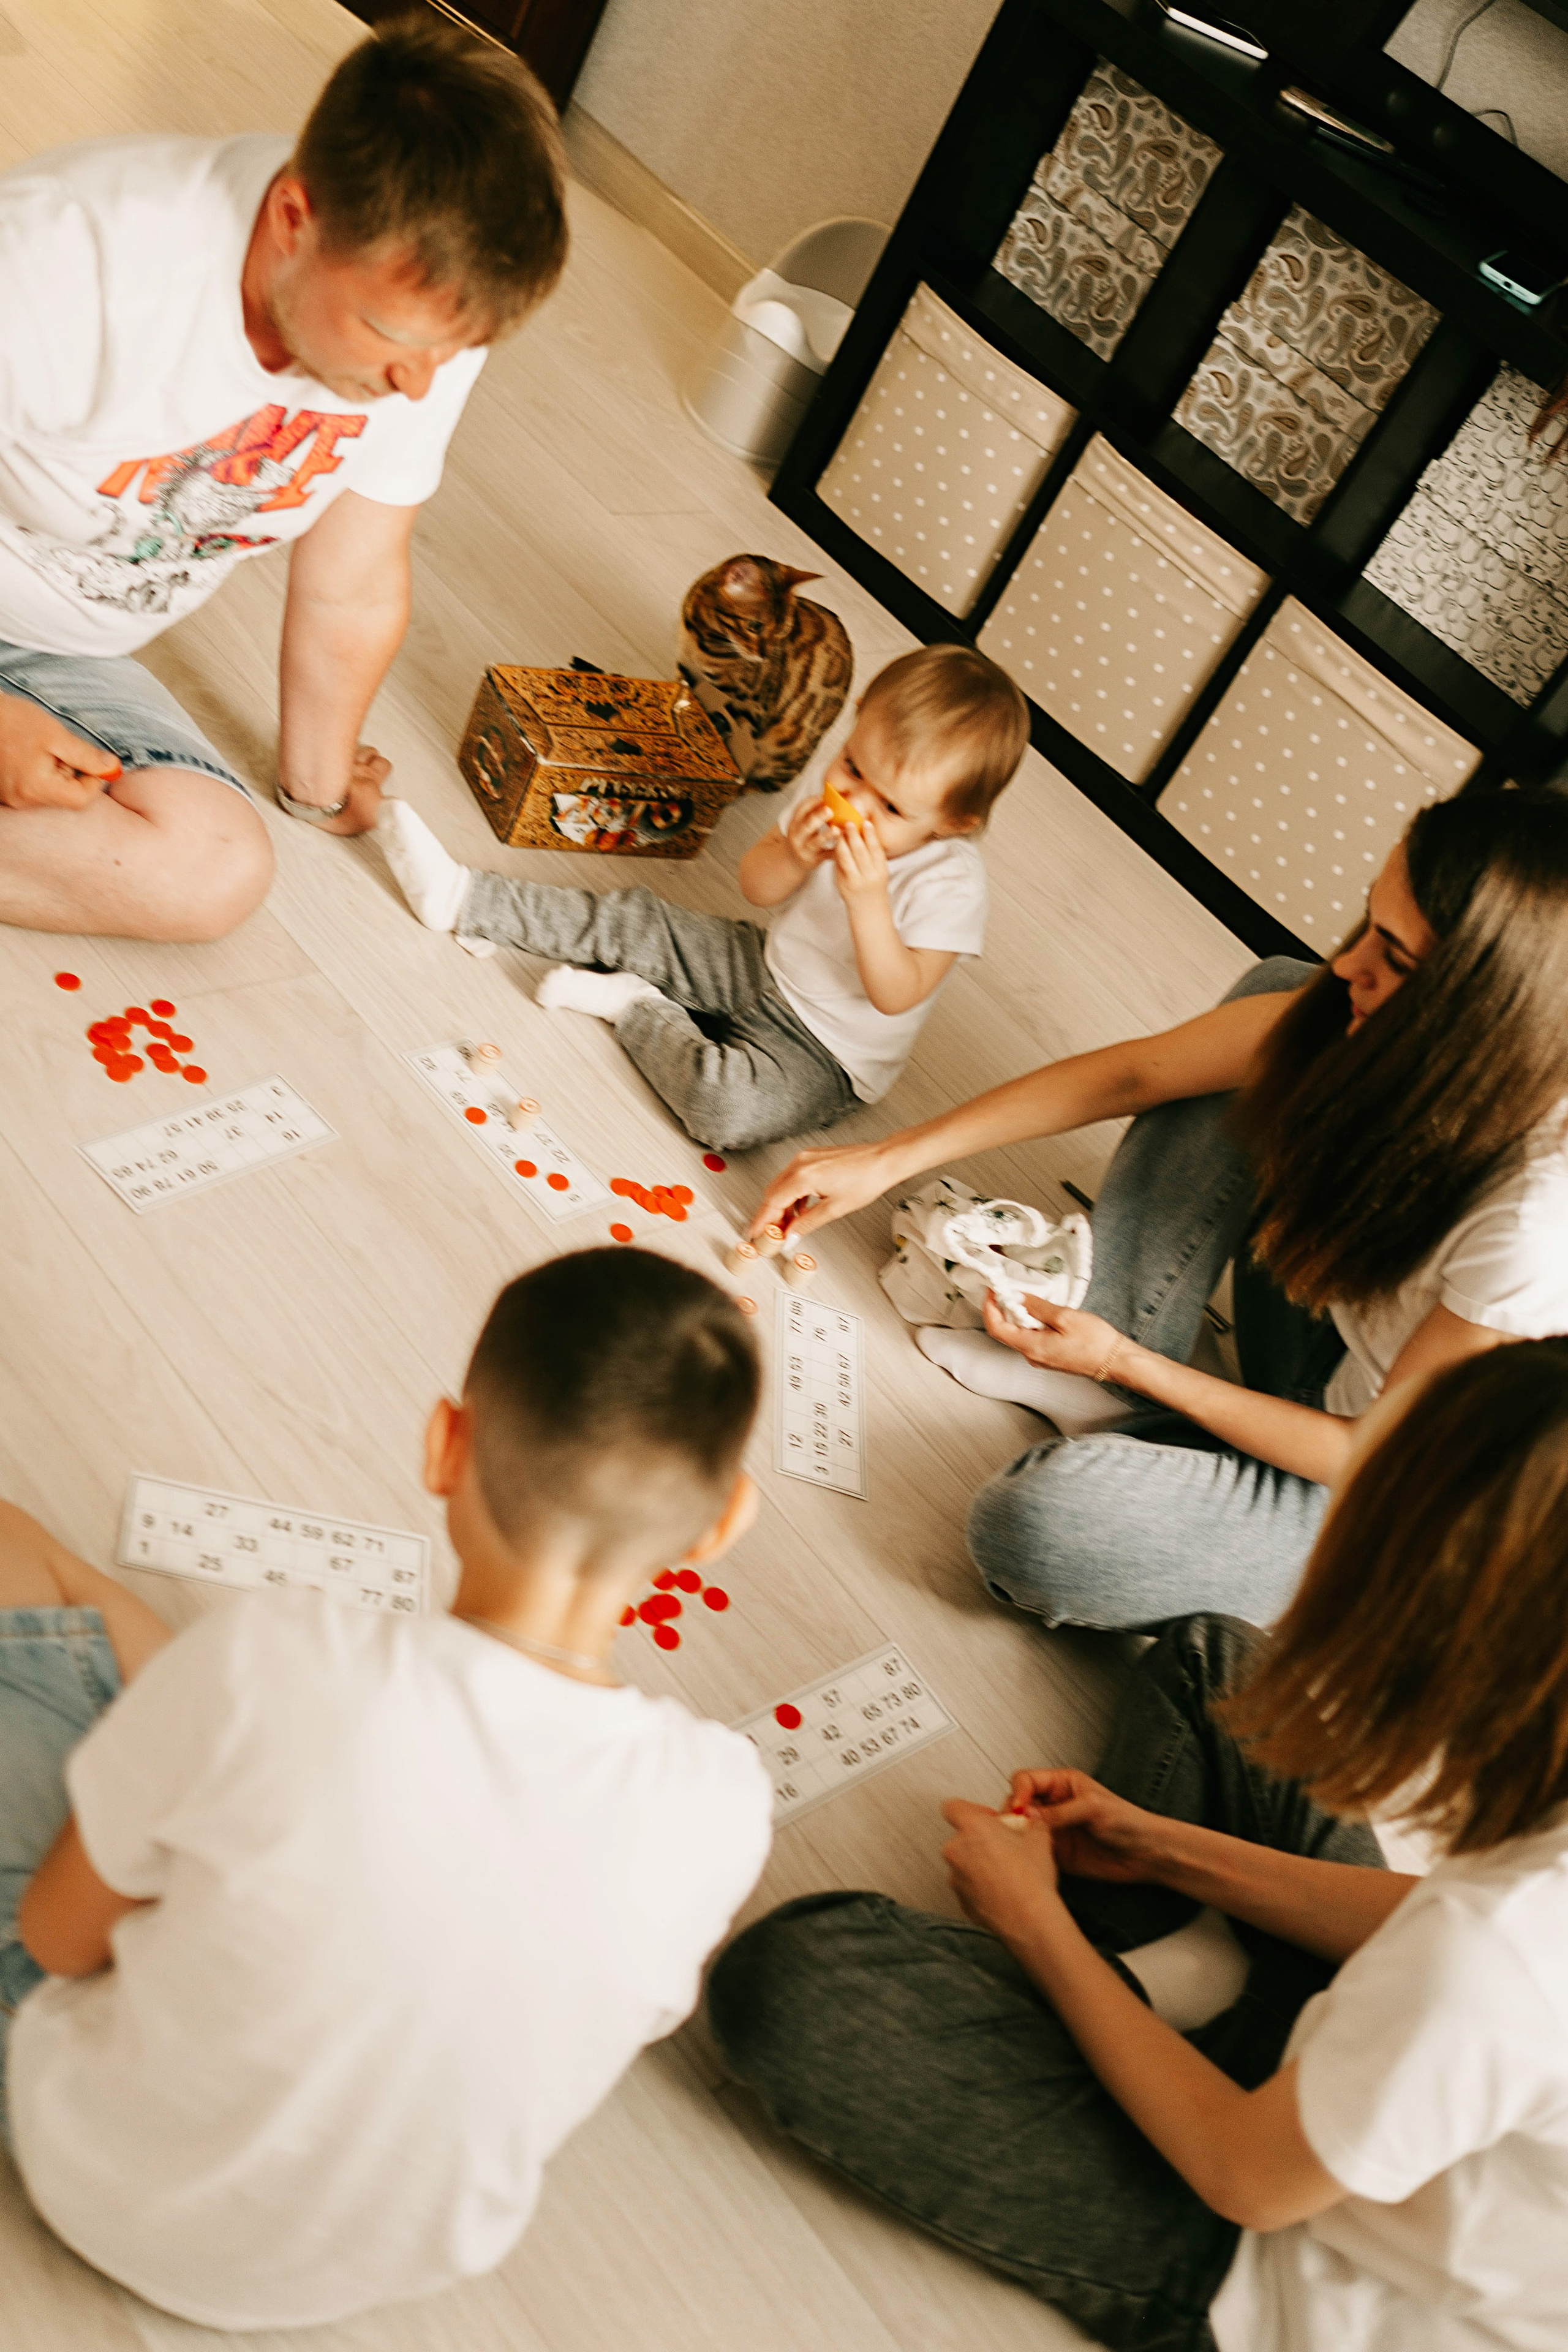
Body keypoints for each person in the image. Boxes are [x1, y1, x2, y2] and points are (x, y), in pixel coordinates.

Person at [710, 1340, 1568, 2351]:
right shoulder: (1501, 1912)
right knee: (1221, 1659)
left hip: (1274, 2253)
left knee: (803, 1980)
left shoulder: (1496, 1952)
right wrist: (1161, 1847)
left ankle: (1138, 1999)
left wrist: (1036, 1926)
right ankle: (1163, 1979)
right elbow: (1427, 1922)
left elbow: (1245, 2176)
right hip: (1379, 2073)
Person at [0, 1248, 772, 2329]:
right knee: (198, 1711)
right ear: (722, 1523)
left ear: (443, 1445)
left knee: (22, 1555)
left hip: (90, 2164)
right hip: (345, 2272)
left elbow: (56, 1939)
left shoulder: (279, 1653)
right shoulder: (723, 1801)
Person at [751, 789, 1568, 1628]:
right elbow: (1134, 1076)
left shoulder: (1538, 1222)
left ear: (1484, 1007)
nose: (1353, 962)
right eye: (1367, 924)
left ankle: (1139, 1402)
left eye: (1394, 959)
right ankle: (1116, 1364)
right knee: (1288, 999)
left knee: (1038, 1527)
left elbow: (1370, 1456)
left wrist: (1124, 1365)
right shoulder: (1378, 1018)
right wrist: (888, 1158)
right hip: (1329, 1345)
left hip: (1374, 1496)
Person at [0, 12, 567, 943]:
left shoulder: (430, 318)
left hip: (60, 655)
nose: (419, 384)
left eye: (460, 350)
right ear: (295, 218)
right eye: (399, 343)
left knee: (214, 873)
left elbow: (353, 581)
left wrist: (319, 780)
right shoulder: (62, 262)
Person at [377, 644, 1030, 1152]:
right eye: (854, 767)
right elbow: (757, 886)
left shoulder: (953, 885)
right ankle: (464, 897)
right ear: (855, 724)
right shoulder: (832, 803)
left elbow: (897, 992)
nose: (856, 800)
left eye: (889, 806)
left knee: (725, 1110)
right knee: (635, 920)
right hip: (759, 965)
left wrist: (868, 903)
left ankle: (636, 1006)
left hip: (824, 1054)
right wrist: (795, 854)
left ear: (953, 821)